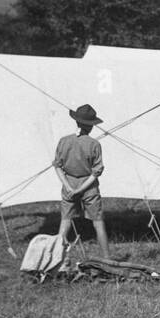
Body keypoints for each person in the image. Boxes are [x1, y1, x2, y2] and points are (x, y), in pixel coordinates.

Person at [54, 103, 110, 259]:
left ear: (76, 122)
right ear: (91, 126)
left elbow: (57, 166)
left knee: (64, 223)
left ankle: (55, 259)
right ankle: (107, 260)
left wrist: (69, 187)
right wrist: (81, 189)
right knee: (98, 223)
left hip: (68, 184)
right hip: (89, 186)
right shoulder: (94, 144)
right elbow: (96, 172)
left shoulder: (64, 141)